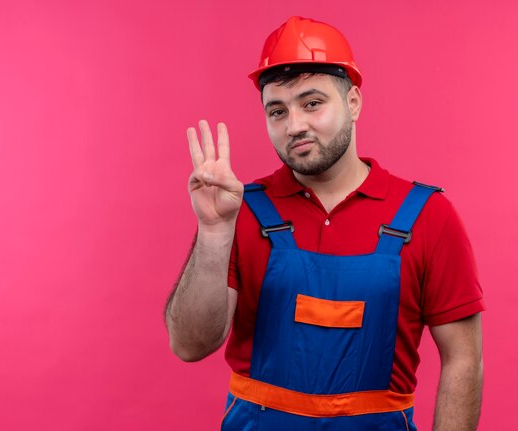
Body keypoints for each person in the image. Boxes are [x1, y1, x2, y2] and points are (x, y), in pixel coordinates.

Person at [166, 16, 484, 431]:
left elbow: (464, 359)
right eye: (277, 111)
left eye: (312, 103)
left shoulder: (427, 215)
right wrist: (212, 232)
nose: (294, 125)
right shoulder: (239, 211)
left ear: (353, 102)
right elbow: (190, 345)